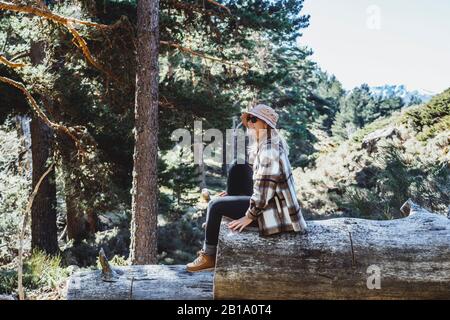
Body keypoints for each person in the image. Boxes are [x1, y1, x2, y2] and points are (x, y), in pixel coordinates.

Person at [186, 104, 307, 272]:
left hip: (277, 213)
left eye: (254, 119)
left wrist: (249, 216)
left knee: (215, 205)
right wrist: (231, 195)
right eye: (249, 119)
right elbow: (255, 176)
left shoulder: (270, 150)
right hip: (270, 201)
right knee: (238, 166)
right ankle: (226, 209)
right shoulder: (265, 144)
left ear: (265, 124)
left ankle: (209, 256)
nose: (249, 123)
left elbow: (264, 193)